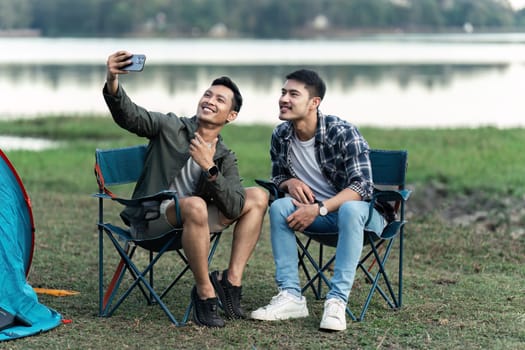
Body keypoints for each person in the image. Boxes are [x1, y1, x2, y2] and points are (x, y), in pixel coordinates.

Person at [103, 50, 268, 328]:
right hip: (154, 219)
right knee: (195, 204)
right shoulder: (171, 126)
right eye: (207, 95)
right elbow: (130, 117)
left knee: (258, 196)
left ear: (231, 115)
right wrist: (112, 81)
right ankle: (205, 293)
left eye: (219, 100)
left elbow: (235, 207)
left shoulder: (224, 156)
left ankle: (230, 282)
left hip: (194, 222)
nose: (209, 101)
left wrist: (210, 168)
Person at [250, 69, 386, 331]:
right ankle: (290, 296)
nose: (283, 99)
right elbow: (277, 177)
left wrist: (319, 208)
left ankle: (337, 301)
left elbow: (362, 188)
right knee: (279, 206)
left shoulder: (343, 132)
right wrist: (289, 182)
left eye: (293, 94)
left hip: (362, 218)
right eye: (283, 92)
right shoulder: (281, 135)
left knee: (350, 209)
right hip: (317, 218)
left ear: (314, 102)